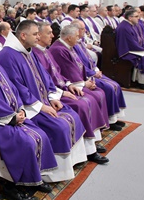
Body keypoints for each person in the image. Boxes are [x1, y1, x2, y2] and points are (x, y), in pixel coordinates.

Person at [0, 21, 88, 172]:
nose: (38, 37)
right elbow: (17, 88)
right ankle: (56, 171)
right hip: (28, 107)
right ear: (23, 35)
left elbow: (44, 76)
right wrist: (41, 106)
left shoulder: (28, 50)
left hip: (43, 101)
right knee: (59, 126)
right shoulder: (8, 55)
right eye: (35, 34)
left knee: (72, 115)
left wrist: (52, 97)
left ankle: (73, 161)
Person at [33, 22, 110, 157]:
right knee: (82, 104)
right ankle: (88, 147)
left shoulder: (45, 50)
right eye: (49, 33)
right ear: (39, 35)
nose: (53, 35)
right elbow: (44, 80)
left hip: (60, 87)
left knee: (90, 99)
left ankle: (91, 143)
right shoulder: (36, 53)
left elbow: (58, 73)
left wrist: (69, 85)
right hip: (52, 93)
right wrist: (63, 91)